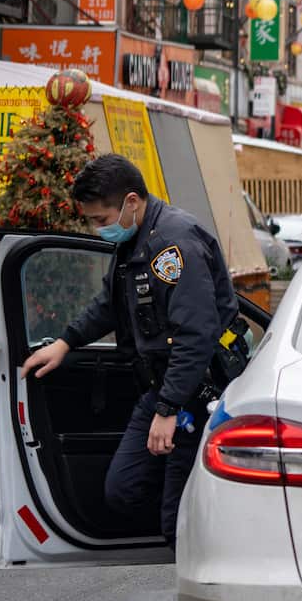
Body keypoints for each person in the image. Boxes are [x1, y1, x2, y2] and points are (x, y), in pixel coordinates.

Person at [20, 154, 239, 549]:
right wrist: (65, 343)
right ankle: (194, 520)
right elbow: (112, 304)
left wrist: (168, 410)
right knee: (122, 490)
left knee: (180, 527)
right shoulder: (136, 239)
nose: (97, 228)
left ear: (131, 202)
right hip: (161, 390)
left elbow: (195, 335)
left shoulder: (174, 245)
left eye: (100, 220)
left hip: (197, 394)